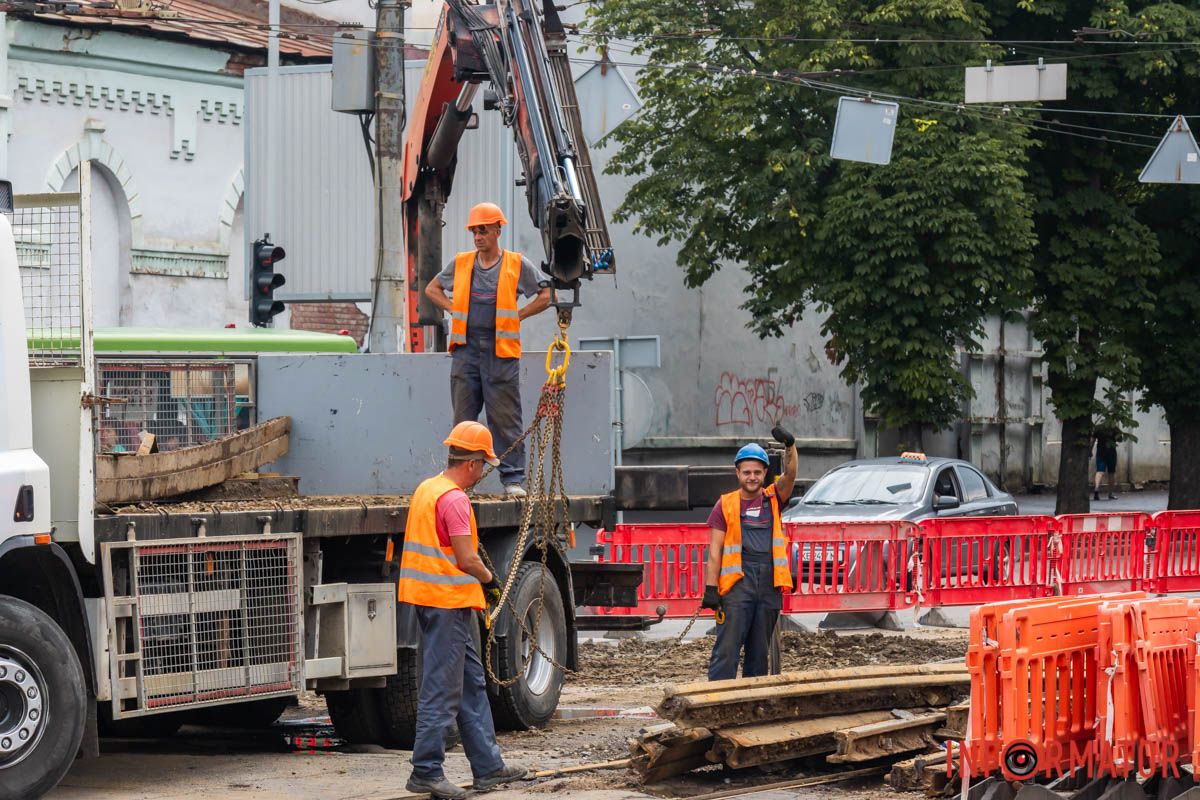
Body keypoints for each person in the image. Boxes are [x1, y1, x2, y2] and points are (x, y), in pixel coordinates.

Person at [399, 421, 531, 799]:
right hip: (447, 604)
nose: (482, 474)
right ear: (472, 463)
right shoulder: (454, 499)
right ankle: (426, 770)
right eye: (483, 466)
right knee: (442, 689)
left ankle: (489, 767)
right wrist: (491, 580)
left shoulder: (428, 488)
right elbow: (466, 557)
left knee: (471, 685)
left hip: (435, 601)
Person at [424, 202, 552, 498]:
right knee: (464, 420)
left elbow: (546, 295)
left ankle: (513, 479)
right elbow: (432, 289)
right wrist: (455, 310)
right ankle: (458, 482)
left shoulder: (516, 264)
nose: (477, 236)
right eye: (474, 231)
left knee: (505, 418)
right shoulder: (462, 263)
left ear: (497, 230)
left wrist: (519, 315)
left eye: (483, 230)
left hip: (500, 353)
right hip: (466, 352)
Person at [701, 427, 798, 681]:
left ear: (766, 473)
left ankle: (752, 706)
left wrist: (790, 446)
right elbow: (715, 551)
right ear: (738, 473)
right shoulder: (726, 504)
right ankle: (717, 702)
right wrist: (711, 589)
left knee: (758, 654)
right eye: (747, 472)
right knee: (727, 651)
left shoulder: (774, 498)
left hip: (768, 586)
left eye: (757, 472)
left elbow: (791, 475)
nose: (752, 477)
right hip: (736, 587)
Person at [1094, 426, 1119, 501]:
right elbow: (1120, 439)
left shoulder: (1099, 428)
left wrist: (1090, 450)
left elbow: (1092, 440)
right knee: (1111, 473)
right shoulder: (1114, 428)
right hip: (1111, 453)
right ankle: (1110, 494)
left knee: (1099, 471)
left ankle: (1096, 489)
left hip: (1100, 452)